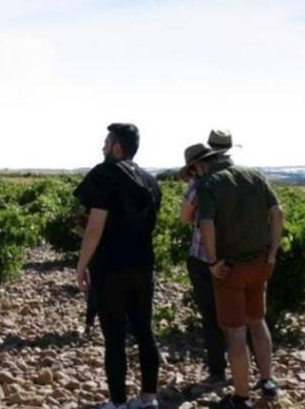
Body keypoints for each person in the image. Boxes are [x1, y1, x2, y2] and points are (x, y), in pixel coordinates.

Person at [191, 136, 284, 409]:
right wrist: (272, 254)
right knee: (258, 320)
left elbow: (205, 223)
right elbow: (278, 213)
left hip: (230, 269)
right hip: (260, 263)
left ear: (201, 165)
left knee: (235, 333)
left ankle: (241, 397)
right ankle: (267, 381)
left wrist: (212, 261)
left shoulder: (209, 184)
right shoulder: (255, 175)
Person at [74, 123, 162, 409]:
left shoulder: (104, 174)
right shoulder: (151, 181)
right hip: (143, 264)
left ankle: (118, 402)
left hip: (110, 267)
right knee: (144, 331)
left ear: (116, 147)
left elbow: (94, 228)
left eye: (106, 142)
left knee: (114, 336)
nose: (102, 147)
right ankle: (149, 398)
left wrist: (81, 264)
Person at [180, 143, 227, 386]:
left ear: (197, 165)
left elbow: (184, 216)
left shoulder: (199, 185)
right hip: (235, 257)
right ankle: (248, 369)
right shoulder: (234, 180)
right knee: (239, 316)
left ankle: (217, 370)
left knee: (210, 315)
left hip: (202, 256)